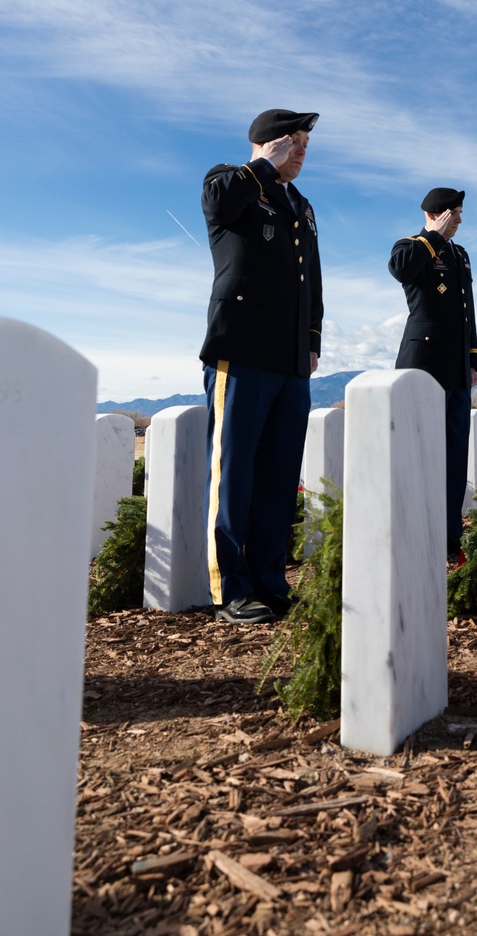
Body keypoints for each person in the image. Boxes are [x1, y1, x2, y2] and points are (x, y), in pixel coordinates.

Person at [199, 108, 323, 624]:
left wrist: (311, 339)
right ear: (267, 143)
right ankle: (231, 589)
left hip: (291, 358)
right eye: (292, 142)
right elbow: (222, 202)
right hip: (242, 350)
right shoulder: (231, 180)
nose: (300, 151)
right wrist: (264, 167)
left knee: (278, 476)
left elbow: (310, 278)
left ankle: (270, 583)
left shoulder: (302, 204)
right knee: (234, 474)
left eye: (304, 145)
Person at [388, 187, 477, 555]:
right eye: (453, 213)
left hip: (456, 368)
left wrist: (472, 360)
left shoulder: (460, 254)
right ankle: (416, 532)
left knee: (454, 456)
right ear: (436, 214)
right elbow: (400, 269)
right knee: (420, 453)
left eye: (459, 214)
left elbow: (466, 310)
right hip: (423, 366)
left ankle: (449, 537)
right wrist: (433, 236)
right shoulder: (411, 245)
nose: (459, 220)